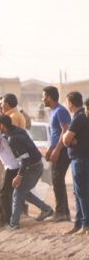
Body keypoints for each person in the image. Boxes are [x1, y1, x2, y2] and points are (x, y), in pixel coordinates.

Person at [0, 115, 54, 230]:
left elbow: (25, 159)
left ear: (2, 126)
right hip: (35, 165)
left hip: (33, 167)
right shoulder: (16, 131)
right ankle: (46, 209)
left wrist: (19, 176)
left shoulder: (13, 139)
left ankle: (14, 224)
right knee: (24, 191)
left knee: (17, 192)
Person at [42, 85, 72, 222]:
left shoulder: (60, 111)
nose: (42, 99)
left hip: (63, 150)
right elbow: (54, 134)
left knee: (57, 179)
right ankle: (63, 212)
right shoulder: (53, 111)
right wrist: (50, 149)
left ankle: (61, 213)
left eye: (43, 96)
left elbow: (65, 131)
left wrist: (57, 150)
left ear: (49, 97)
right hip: (56, 149)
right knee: (56, 180)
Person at [62, 92, 89, 235]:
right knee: (78, 192)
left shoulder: (79, 118)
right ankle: (78, 224)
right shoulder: (81, 116)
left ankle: (85, 224)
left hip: (81, 160)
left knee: (82, 192)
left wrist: (69, 139)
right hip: (79, 159)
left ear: (70, 103)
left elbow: (65, 140)